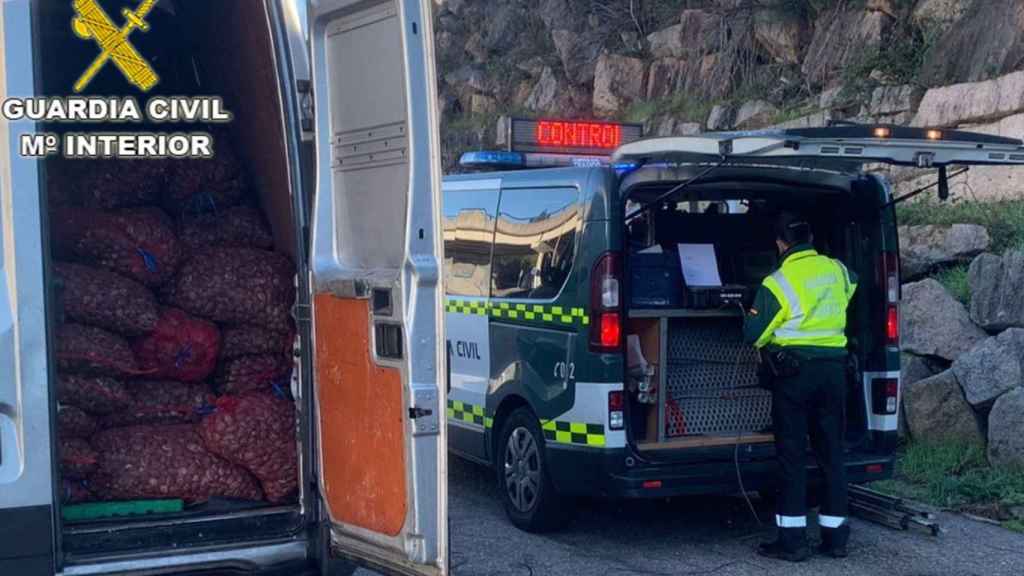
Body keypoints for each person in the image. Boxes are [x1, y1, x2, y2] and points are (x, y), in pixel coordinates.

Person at [742, 211, 858, 562]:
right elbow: (853, 286)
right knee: (831, 454)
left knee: (792, 457)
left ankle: (792, 543)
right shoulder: (838, 270)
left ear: (781, 243)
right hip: (835, 373)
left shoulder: (778, 282)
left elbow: (754, 335)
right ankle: (835, 540)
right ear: (809, 238)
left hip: (795, 377)